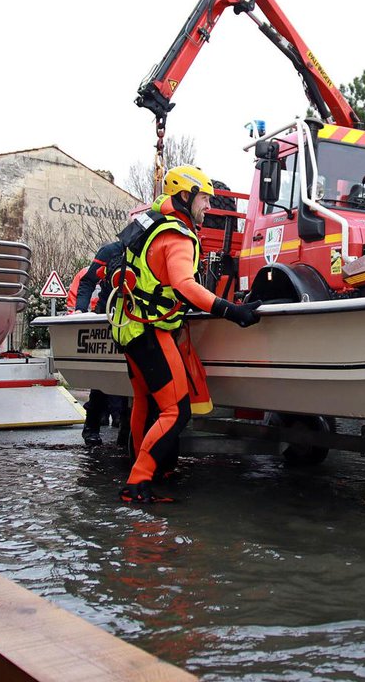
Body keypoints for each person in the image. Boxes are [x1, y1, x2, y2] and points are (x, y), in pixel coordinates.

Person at [110, 165, 262, 504]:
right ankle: (137, 483)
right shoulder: (178, 235)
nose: (208, 206)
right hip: (151, 330)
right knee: (176, 412)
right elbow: (184, 285)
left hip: (130, 327)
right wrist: (231, 310)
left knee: (145, 402)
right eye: (204, 199)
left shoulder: (149, 223)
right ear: (185, 196)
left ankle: (146, 472)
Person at [69, 240, 130, 447]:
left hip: (131, 316)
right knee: (103, 378)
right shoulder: (110, 251)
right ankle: (92, 426)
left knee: (131, 378)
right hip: (107, 314)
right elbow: (88, 281)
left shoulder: (147, 250)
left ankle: (125, 431)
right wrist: (80, 309)